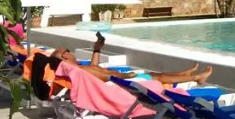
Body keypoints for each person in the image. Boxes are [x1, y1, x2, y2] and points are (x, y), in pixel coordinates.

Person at [50, 34, 214, 86]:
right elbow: (106, 76)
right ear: (65, 56)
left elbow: (96, 70)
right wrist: (126, 76)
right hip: (122, 84)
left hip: (119, 81)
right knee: (159, 78)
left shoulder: (78, 70)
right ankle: (196, 77)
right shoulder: (81, 70)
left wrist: (96, 49)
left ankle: (184, 74)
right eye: (68, 51)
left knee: (157, 75)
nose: (71, 52)